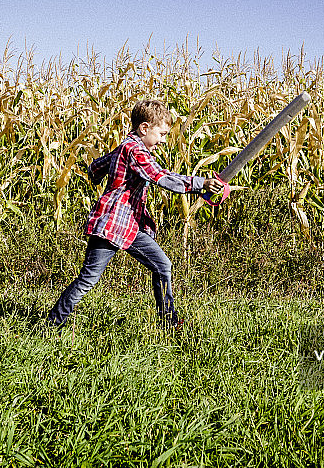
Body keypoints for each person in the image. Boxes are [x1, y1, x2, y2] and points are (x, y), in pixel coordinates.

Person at [46, 99, 225, 332]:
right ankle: (51, 325)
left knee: (162, 266)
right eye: (160, 134)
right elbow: (160, 176)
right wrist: (201, 183)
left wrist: (98, 173)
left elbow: (96, 168)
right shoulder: (134, 150)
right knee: (88, 278)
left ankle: (169, 323)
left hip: (130, 226)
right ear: (144, 128)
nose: (162, 140)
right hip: (111, 225)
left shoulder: (125, 148)